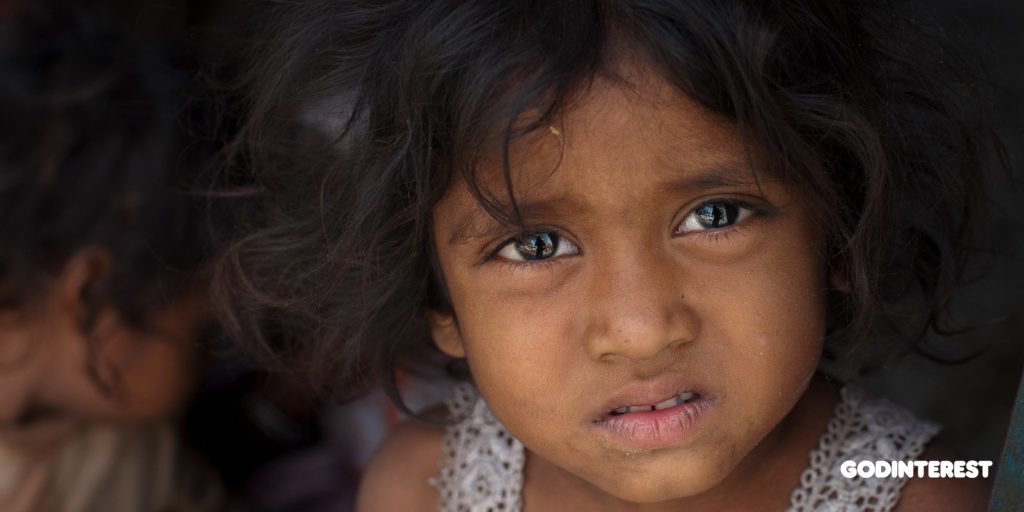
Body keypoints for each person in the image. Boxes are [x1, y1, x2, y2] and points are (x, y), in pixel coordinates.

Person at [213, 1, 1001, 510]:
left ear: (840, 229)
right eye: (536, 244)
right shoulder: (422, 484)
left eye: (714, 215)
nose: (640, 329)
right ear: (441, 306)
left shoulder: (920, 492)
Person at [0, 4, 230, 511]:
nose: (228, 351)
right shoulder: (117, 450)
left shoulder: (124, 449)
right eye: (202, 338)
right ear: (90, 292)